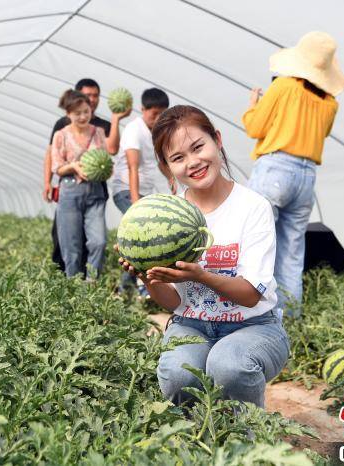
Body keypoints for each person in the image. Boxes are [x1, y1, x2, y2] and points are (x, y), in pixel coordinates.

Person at [118, 105, 289, 408]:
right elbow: (174, 302)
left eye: (198, 147)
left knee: (228, 366)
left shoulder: (253, 207)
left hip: (253, 326)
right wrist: (146, 274)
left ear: (217, 140)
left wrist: (201, 275)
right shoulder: (167, 216)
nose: (193, 162)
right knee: (178, 375)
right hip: (191, 324)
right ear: (166, 166)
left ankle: (250, 439)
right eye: (178, 158)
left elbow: (250, 296)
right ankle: (198, 441)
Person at [242, 31, 344, 318]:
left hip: (276, 168)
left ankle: (253, 317)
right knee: (291, 254)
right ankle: (289, 323)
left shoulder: (284, 86)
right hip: (306, 178)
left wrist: (252, 106)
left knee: (257, 245)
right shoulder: (330, 103)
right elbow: (321, 134)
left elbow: (255, 128)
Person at [43, 78, 130, 274]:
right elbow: (56, 165)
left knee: (99, 241)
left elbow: (110, 152)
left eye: (86, 112)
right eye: (78, 113)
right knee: (71, 247)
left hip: (95, 191)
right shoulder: (61, 134)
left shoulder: (99, 131)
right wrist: (72, 167)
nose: (83, 116)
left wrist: (116, 119)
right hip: (70, 190)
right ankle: (74, 289)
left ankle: (92, 285)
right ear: (68, 114)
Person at [111, 88, 172, 295]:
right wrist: (136, 202)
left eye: (162, 114)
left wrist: (172, 181)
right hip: (126, 190)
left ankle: (124, 287)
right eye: (154, 114)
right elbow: (132, 167)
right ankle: (142, 288)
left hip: (143, 193)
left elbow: (161, 162)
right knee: (145, 236)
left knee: (137, 238)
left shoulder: (157, 132)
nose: (158, 118)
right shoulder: (133, 130)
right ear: (142, 109)